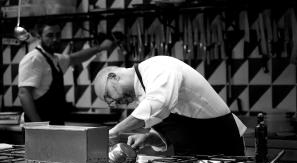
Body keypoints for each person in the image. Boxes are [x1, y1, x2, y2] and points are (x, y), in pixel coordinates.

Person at [94, 55, 247, 156]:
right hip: (194, 160)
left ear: (113, 77)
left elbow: (158, 104)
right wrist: (148, 138)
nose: (114, 104)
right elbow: (174, 130)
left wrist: (114, 132)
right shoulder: (145, 93)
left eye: (109, 96)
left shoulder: (156, 68)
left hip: (221, 150)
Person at [18, 21, 113, 125]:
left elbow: (75, 58)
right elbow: (24, 93)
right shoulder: (34, 58)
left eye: (58, 35)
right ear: (39, 36)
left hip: (55, 124)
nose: (55, 39)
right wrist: (38, 126)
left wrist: (100, 48)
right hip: (39, 127)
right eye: (49, 35)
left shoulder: (55, 59)